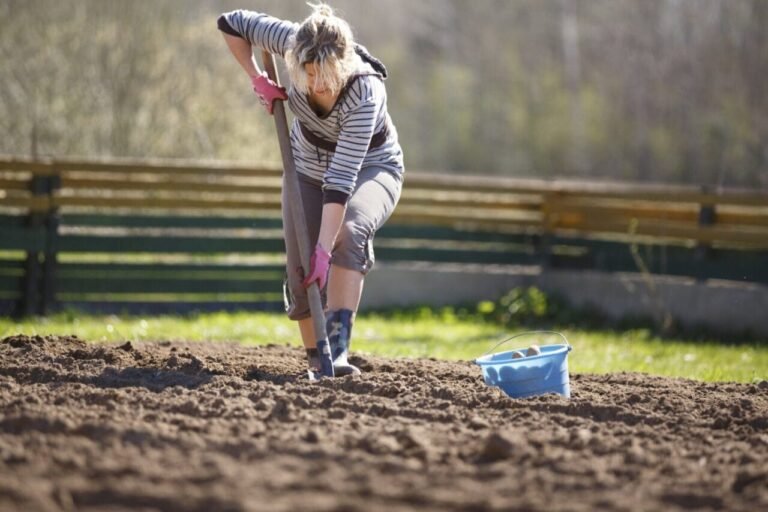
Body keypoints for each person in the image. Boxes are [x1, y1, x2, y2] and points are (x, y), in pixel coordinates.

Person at [218, 3, 404, 377]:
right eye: (310, 75)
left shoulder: (365, 92)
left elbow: (340, 182)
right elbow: (230, 23)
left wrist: (326, 249)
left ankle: (337, 351)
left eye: (327, 75)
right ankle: (317, 362)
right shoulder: (290, 41)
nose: (318, 85)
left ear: (345, 62)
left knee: (348, 233)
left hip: (371, 167)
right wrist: (257, 79)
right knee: (301, 261)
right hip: (305, 166)